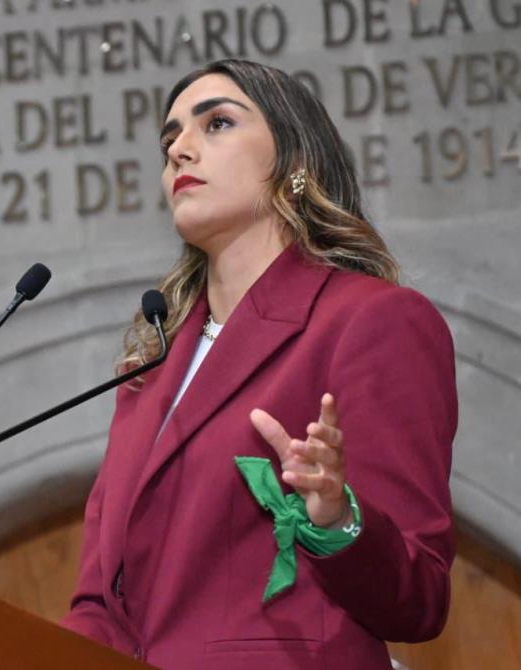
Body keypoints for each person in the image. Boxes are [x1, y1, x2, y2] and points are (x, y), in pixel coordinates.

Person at [61, 59, 457, 669]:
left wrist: (337, 518)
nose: (179, 152)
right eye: (169, 140)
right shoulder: (147, 370)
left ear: (295, 166)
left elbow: (420, 600)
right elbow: (96, 603)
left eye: (215, 124)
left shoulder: (371, 321)